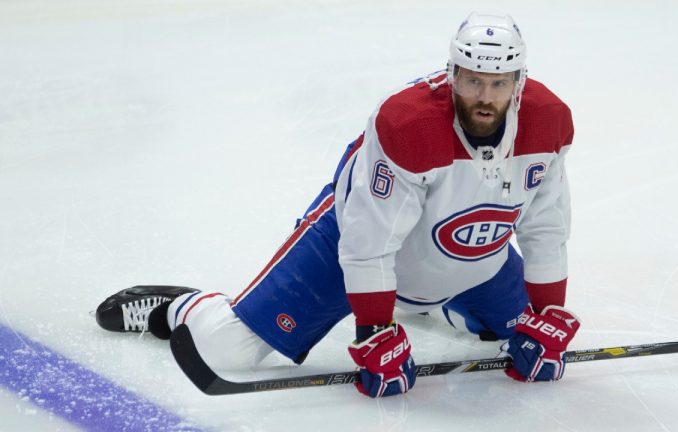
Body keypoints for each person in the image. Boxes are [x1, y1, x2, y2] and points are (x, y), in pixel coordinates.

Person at [95, 12, 580, 398]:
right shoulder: (409, 125)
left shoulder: (549, 122)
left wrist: (548, 315)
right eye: (473, 81)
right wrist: (373, 331)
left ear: (519, 80)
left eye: (499, 83)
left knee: (513, 334)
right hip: (346, 245)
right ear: (452, 74)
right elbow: (368, 244)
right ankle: (188, 306)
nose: (485, 97)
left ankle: (432, 305)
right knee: (227, 349)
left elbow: (546, 228)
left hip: (475, 259)